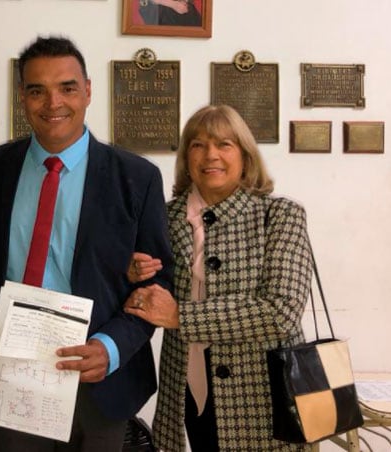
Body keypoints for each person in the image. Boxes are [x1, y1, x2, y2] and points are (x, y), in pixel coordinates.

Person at [0, 36, 174, 451]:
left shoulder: (136, 178)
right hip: (12, 372)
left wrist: (111, 347)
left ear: (88, 91)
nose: (52, 103)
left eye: (67, 88)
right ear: (22, 96)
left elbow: (161, 286)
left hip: (98, 376)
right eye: (37, 90)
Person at [124, 105, 312, 451]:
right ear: (186, 156)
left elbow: (281, 311)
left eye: (224, 144)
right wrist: (134, 274)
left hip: (263, 396)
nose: (210, 155)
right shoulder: (162, 218)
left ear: (245, 155)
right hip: (187, 389)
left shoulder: (280, 215)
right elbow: (143, 295)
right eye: (198, 145)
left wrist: (181, 315)